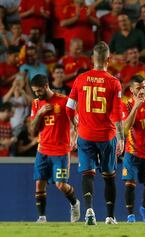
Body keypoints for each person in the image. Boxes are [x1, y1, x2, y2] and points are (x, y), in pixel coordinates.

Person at [66, 41, 124, 225]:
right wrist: (121, 138)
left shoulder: (80, 79)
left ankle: (89, 210)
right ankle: (109, 216)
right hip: (107, 136)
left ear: (92, 59)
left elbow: (69, 108)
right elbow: (117, 115)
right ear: (109, 59)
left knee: (87, 173)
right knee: (109, 176)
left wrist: (75, 124)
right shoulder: (114, 83)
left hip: (85, 135)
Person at [30, 74, 80, 223]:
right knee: (39, 183)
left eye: (39, 91)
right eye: (35, 92)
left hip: (60, 151)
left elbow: (77, 123)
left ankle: (74, 203)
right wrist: (39, 113)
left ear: (46, 86)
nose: (37, 94)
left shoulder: (64, 101)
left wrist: (74, 139)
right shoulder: (36, 104)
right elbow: (32, 130)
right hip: (43, 149)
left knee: (60, 184)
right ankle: (42, 218)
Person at [121, 75, 145, 223]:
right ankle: (130, 215)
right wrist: (136, 106)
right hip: (133, 151)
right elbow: (125, 127)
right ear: (131, 90)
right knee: (130, 182)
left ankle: (144, 208)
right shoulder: (126, 105)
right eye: (138, 88)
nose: (142, 90)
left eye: (143, 87)